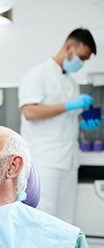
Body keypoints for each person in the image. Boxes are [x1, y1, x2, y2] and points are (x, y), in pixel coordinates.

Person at [18, 28, 99, 224]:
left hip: (69, 161)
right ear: (69, 47)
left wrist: (83, 120)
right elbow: (30, 112)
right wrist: (68, 105)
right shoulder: (37, 75)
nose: (82, 63)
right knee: (44, 220)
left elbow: (66, 117)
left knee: (65, 222)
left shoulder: (72, 83)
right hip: (45, 161)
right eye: (82, 57)